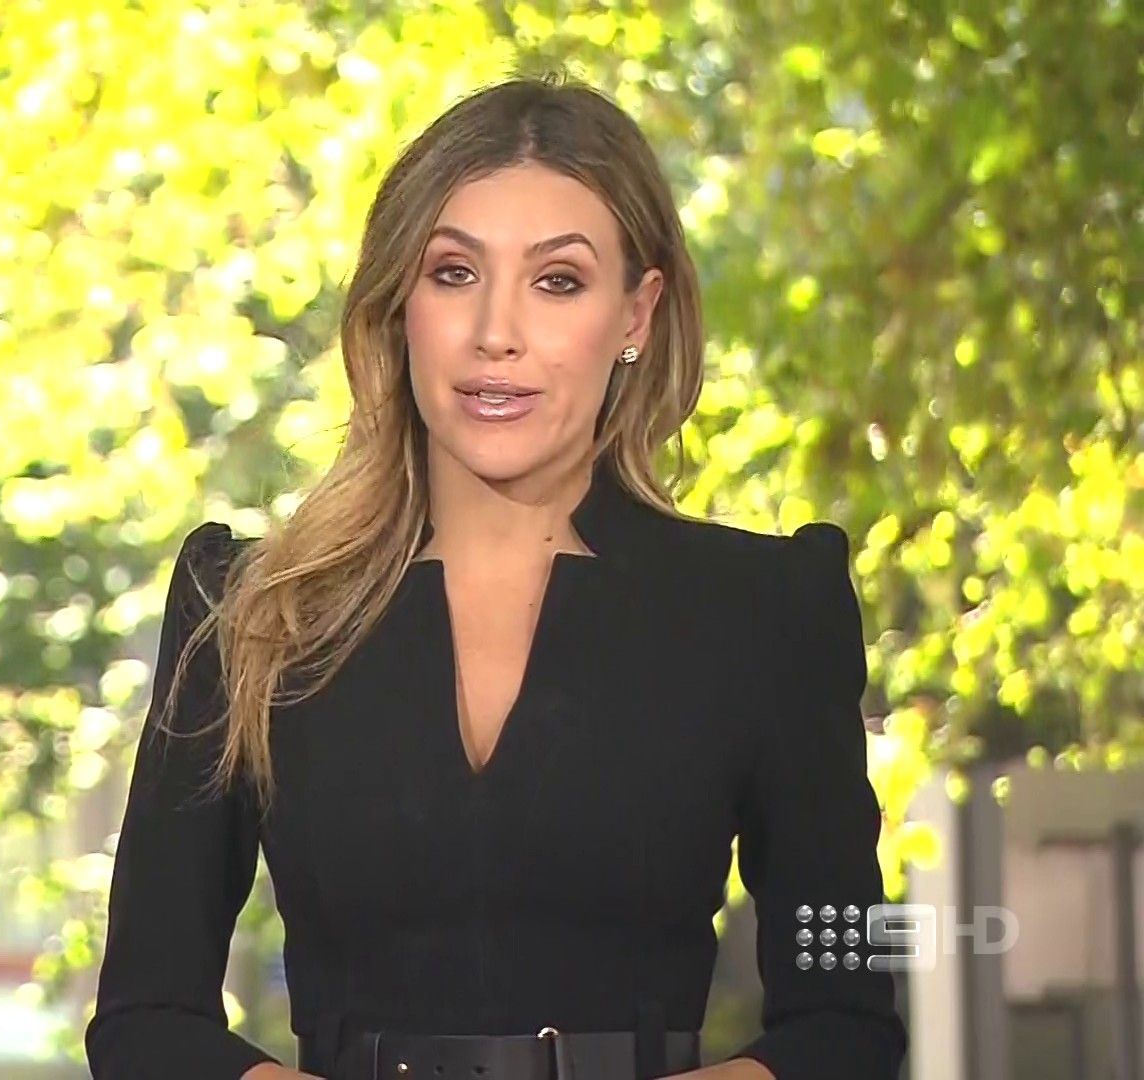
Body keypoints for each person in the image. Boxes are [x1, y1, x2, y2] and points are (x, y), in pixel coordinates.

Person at [84, 76, 906, 1080]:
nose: (495, 333)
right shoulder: (252, 612)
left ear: (637, 313)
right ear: (400, 304)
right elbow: (145, 1024)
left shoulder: (767, 613)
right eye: (454, 273)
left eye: (557, 281)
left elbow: (846, 1025)